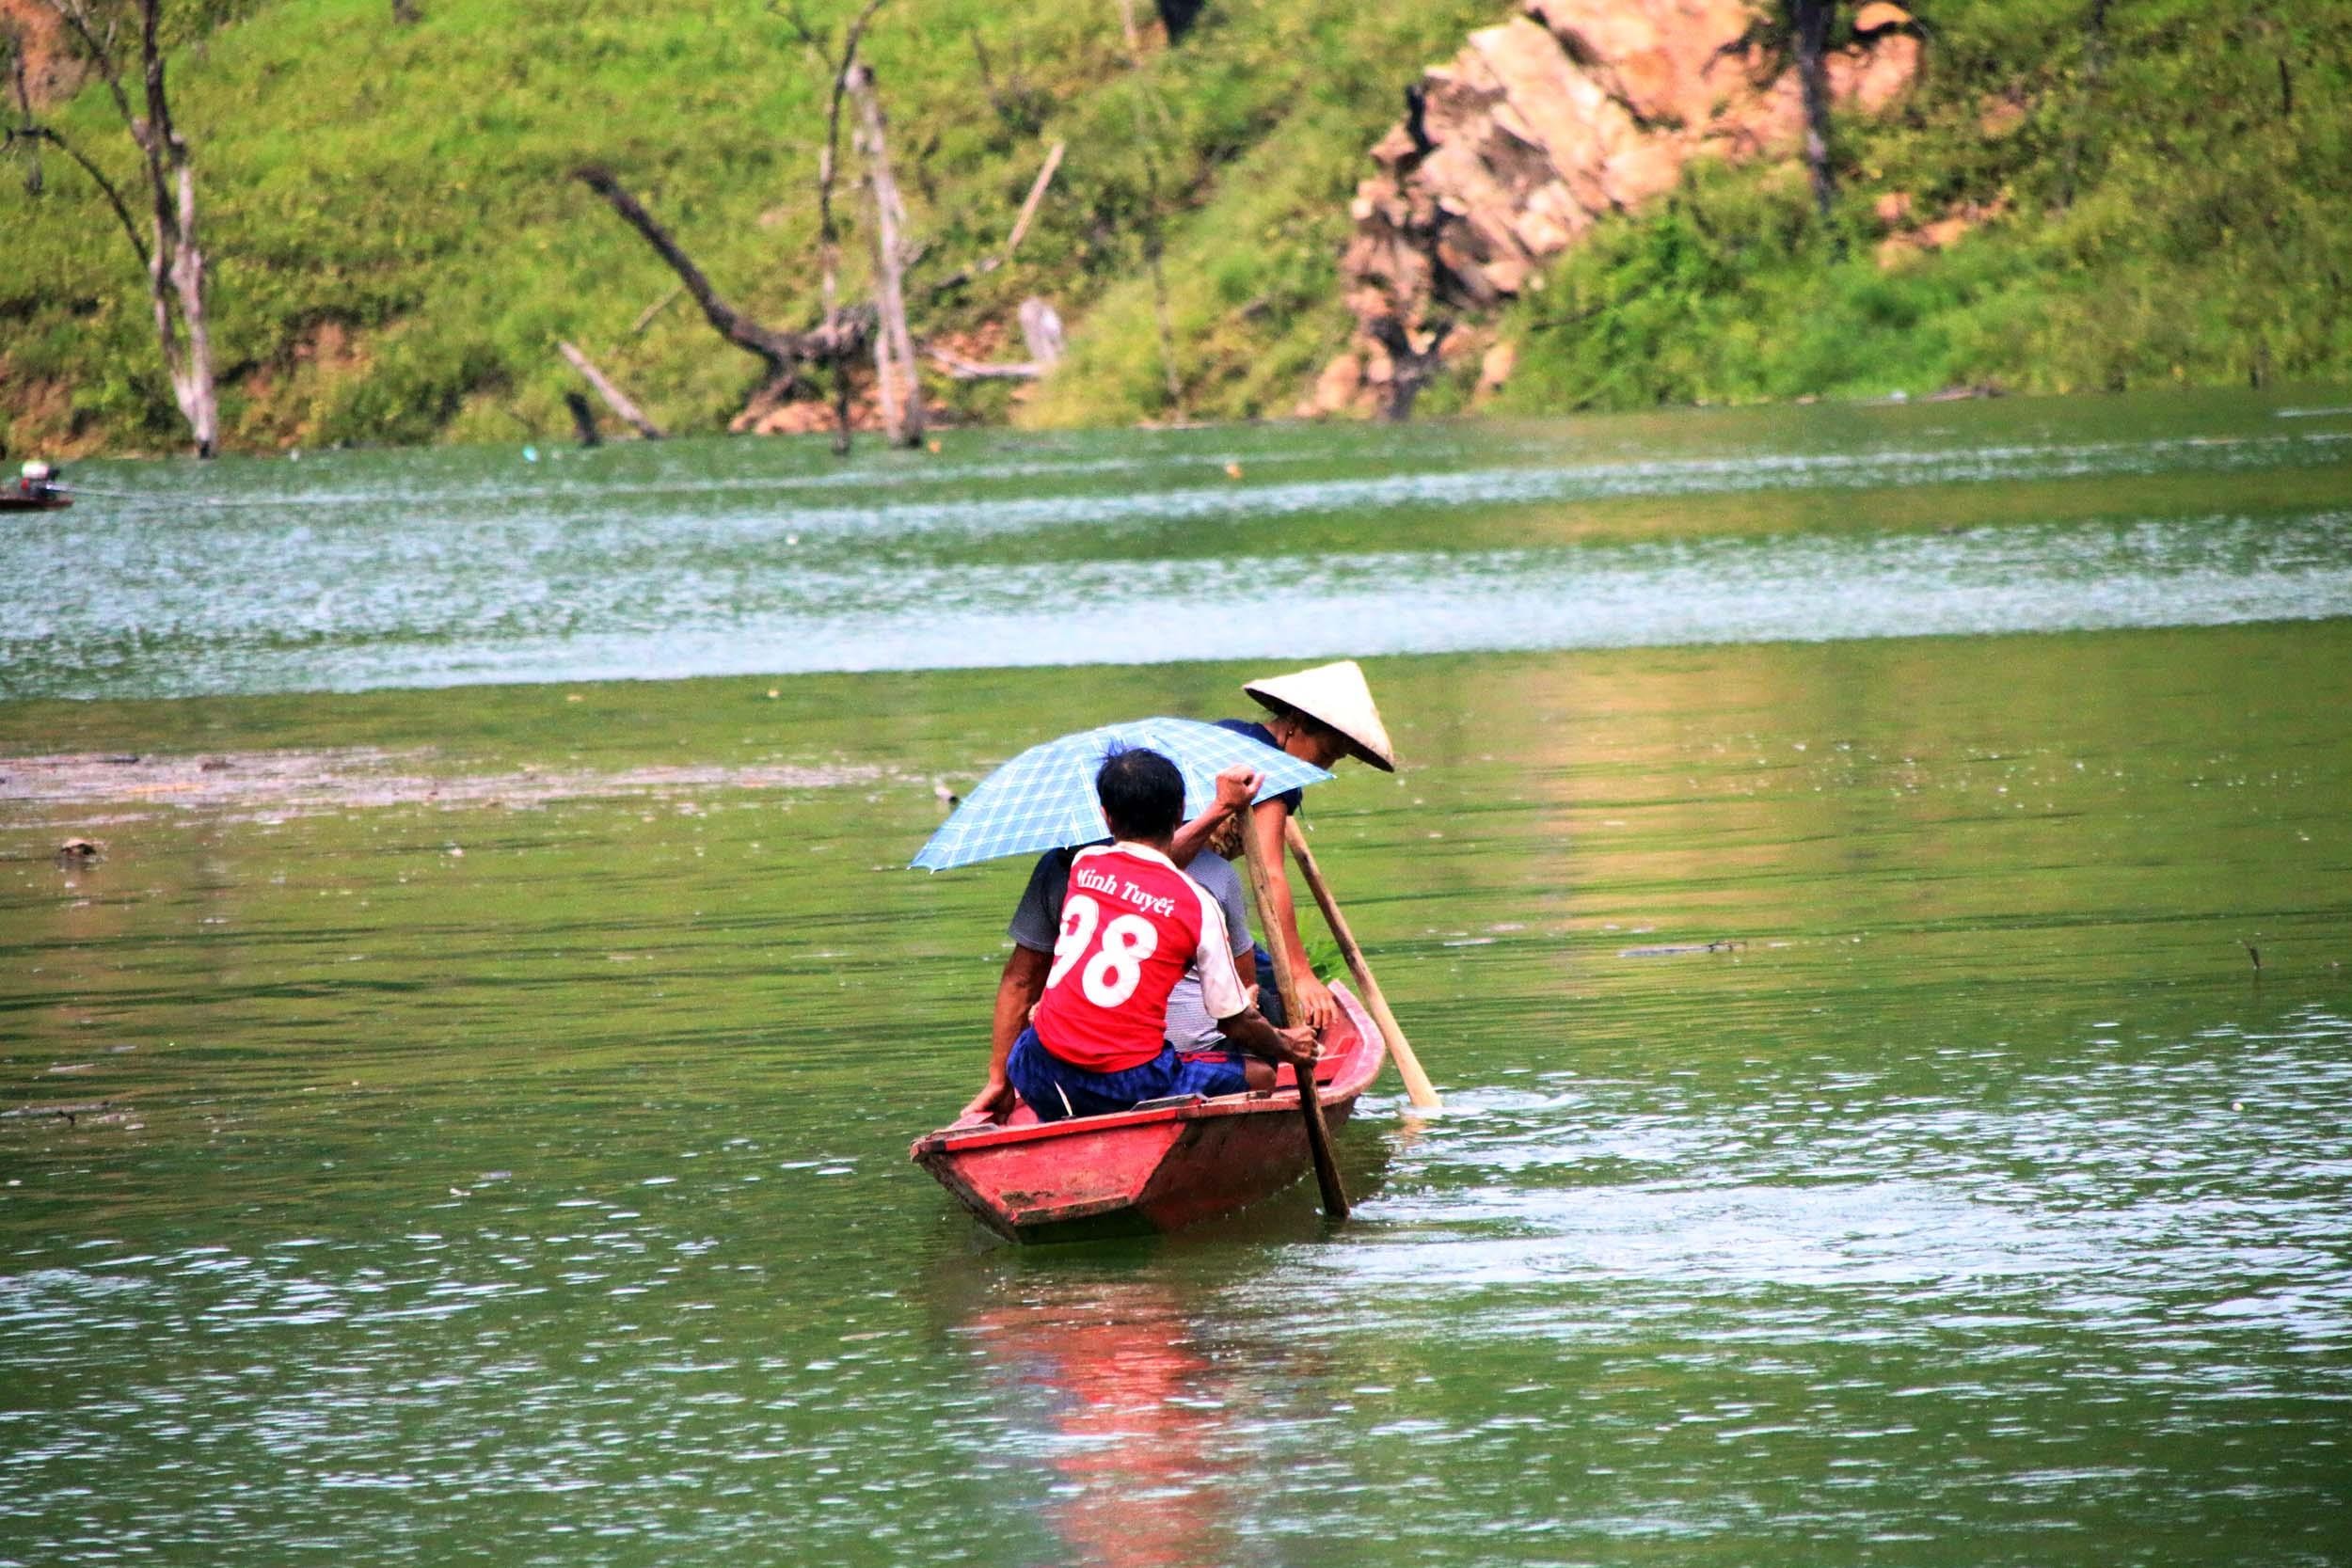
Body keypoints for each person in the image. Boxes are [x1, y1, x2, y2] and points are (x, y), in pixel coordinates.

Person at [997, 748, 1316, 1123]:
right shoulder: (1198, 906)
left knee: (1042, 1031)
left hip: (1037, 1070)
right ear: (1180, 810)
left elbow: (1154, 862)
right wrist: (1288, 1047)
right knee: (1261, 1072)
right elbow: (1234, 1022)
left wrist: (1221, 808)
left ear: (1106, 816)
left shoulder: (1085, 865)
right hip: (1129, 1083)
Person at [1216, 659, 1399, 1034]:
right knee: (1287, 1008)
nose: (1324, 765)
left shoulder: (1232, 735)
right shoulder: (1270, 771)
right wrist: (1298, 974)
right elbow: (1268, 875)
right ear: (1296, 722)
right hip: (1171, 900)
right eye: (1327, 752)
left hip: (1173, 893)